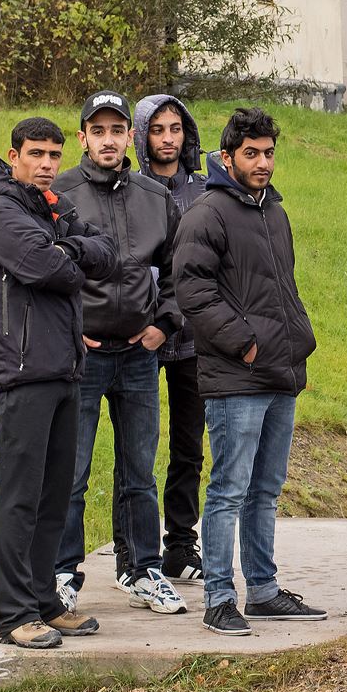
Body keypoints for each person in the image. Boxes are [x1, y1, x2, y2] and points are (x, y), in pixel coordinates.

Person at [0, 117, 118, 648]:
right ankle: (12, 614)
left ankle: (44, 601)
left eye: (54, 155)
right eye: (36, 154)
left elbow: (107, 253)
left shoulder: (52, 205)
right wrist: (70, 253)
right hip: (21, 370)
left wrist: (64, 249)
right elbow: (45, 268)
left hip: (64, 366)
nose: (47, 164)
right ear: (14, 156)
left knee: (56, 496)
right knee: (20, 497)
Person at [174, 107, 326, 636]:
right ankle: (219, 599)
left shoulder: (274, 211)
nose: (263, 163)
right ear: (226, 157)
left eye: (269, 153)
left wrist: (296, 345)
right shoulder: (206, 214)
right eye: (251, 154)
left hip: (281, 371)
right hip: (237, 377)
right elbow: (192, 292)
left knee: (265, 490)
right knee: (228, 490)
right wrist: (245, 345)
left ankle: (262, 591)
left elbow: (283, 288)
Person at [50, 91, 184, 616]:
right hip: (81, 357)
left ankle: (144, 570)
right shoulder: (59, 193)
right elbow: (42, 266)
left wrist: (163, 325)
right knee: (72, 471)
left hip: (138, 356)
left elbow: (178, 272)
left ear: (132, 136)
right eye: (98, 131)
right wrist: (69, 328)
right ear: (83, 137)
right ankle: (62, 572)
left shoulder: (156, 196)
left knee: (139, 472)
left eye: (117, 130)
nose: (108, 140)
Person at [126, 93, 209, 583]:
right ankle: (130, 551)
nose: (168, 139)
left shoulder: (204, 190)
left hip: (193, 338)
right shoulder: (130, 189)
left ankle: (180, 544)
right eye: (157, 130)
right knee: (135, 450)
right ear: (141, 136)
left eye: (175, 129)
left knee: (188, 447)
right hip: (138, 335)